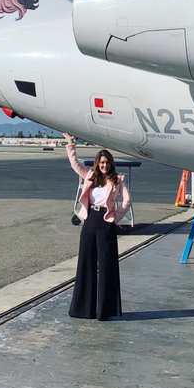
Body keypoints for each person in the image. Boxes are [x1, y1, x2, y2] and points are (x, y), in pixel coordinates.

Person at [63, 132, 131, 321]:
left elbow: (127, 200)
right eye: (101, 162)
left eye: (107, 163)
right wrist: (70, 145)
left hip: (106, 223)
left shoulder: (118, 179)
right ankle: (84, 309)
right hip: (90, 220)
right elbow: (75, 164)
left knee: (107, 265)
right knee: (86, 263)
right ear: (97, 163)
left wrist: (116, 216)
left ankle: (105, 310)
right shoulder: (90, 176)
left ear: (110, 164)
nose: (104, 165)